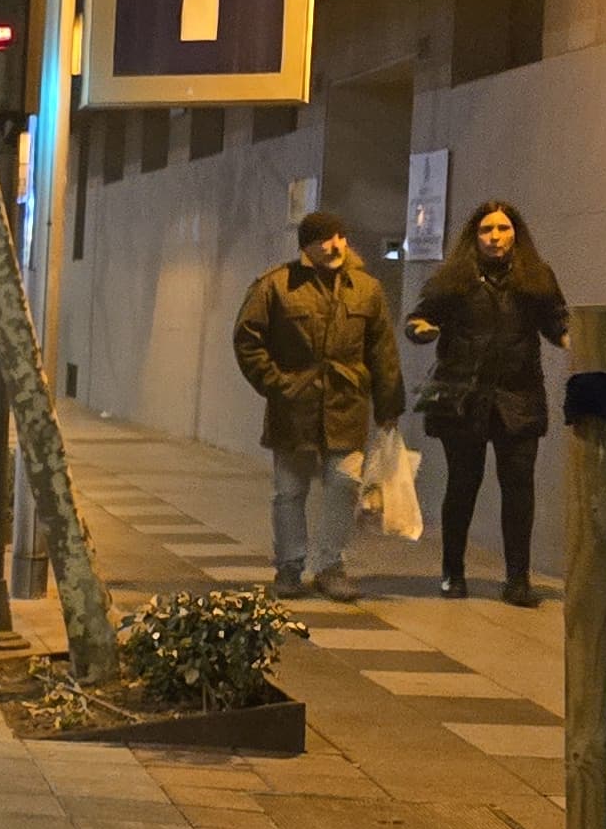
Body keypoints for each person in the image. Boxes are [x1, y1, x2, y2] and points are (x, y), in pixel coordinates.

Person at [232, 209, 404, 602]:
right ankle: (290, 566)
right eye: (324, 239)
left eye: (340, 237)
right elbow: (247, 340)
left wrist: (388, 404)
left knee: (344, 483)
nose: (335, 245)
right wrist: (277, 384)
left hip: (347, 404)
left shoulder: (366, 289)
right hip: (295, 406)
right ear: (307, 247)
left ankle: (330, 564)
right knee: (289, 490)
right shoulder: (276, 286)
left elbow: (383, 350)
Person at [406, 199, 565, 605]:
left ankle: (517, 579)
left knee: (518, 488)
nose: (495, 237)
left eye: (503, 229)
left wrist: (575, 341)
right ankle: (451, 574)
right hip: (463, 397)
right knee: (463, 484)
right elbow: (419, 317)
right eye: (486, 230)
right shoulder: (455, 278)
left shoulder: (535, 277)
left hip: (518, 396)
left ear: (516, 234)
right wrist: (422, 329)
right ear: (474, 236)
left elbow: (556, 322)